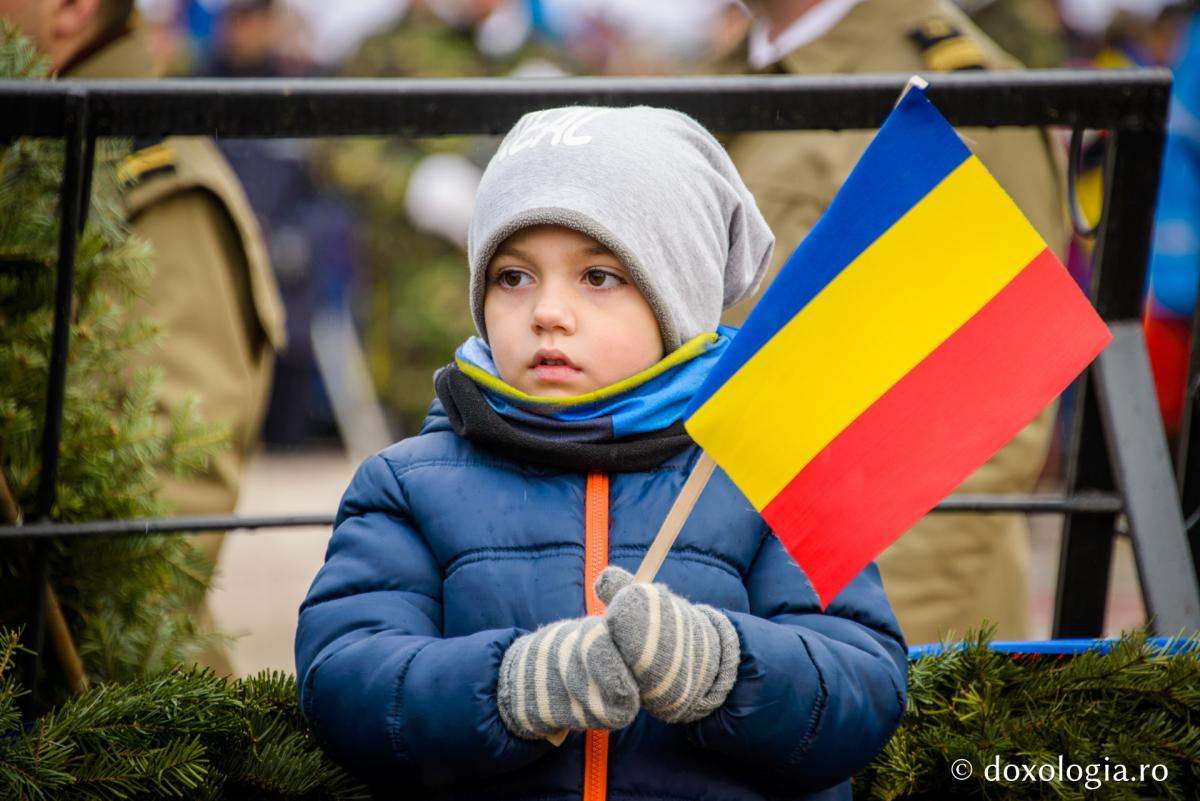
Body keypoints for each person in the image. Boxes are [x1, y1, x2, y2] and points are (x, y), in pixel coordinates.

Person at [295, 106, 907, 801]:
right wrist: (509, 687)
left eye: (598, 277)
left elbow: (863, 684)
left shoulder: (772, 469)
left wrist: (723, 669)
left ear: (680, 297)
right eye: (513, 276)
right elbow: (346, 680)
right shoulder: (406, 486)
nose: (547, 311)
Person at [722, 0, 1069, 645]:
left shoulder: (952, 92)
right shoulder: (748, 64)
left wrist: (851, 651)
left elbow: (979, 427)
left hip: (842, 641)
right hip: (732, 601)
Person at [0, 0, 287, 674]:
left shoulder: (152, 183)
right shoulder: (35, 150)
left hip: (93, 707)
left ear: (69, 7)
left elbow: (162, 516)